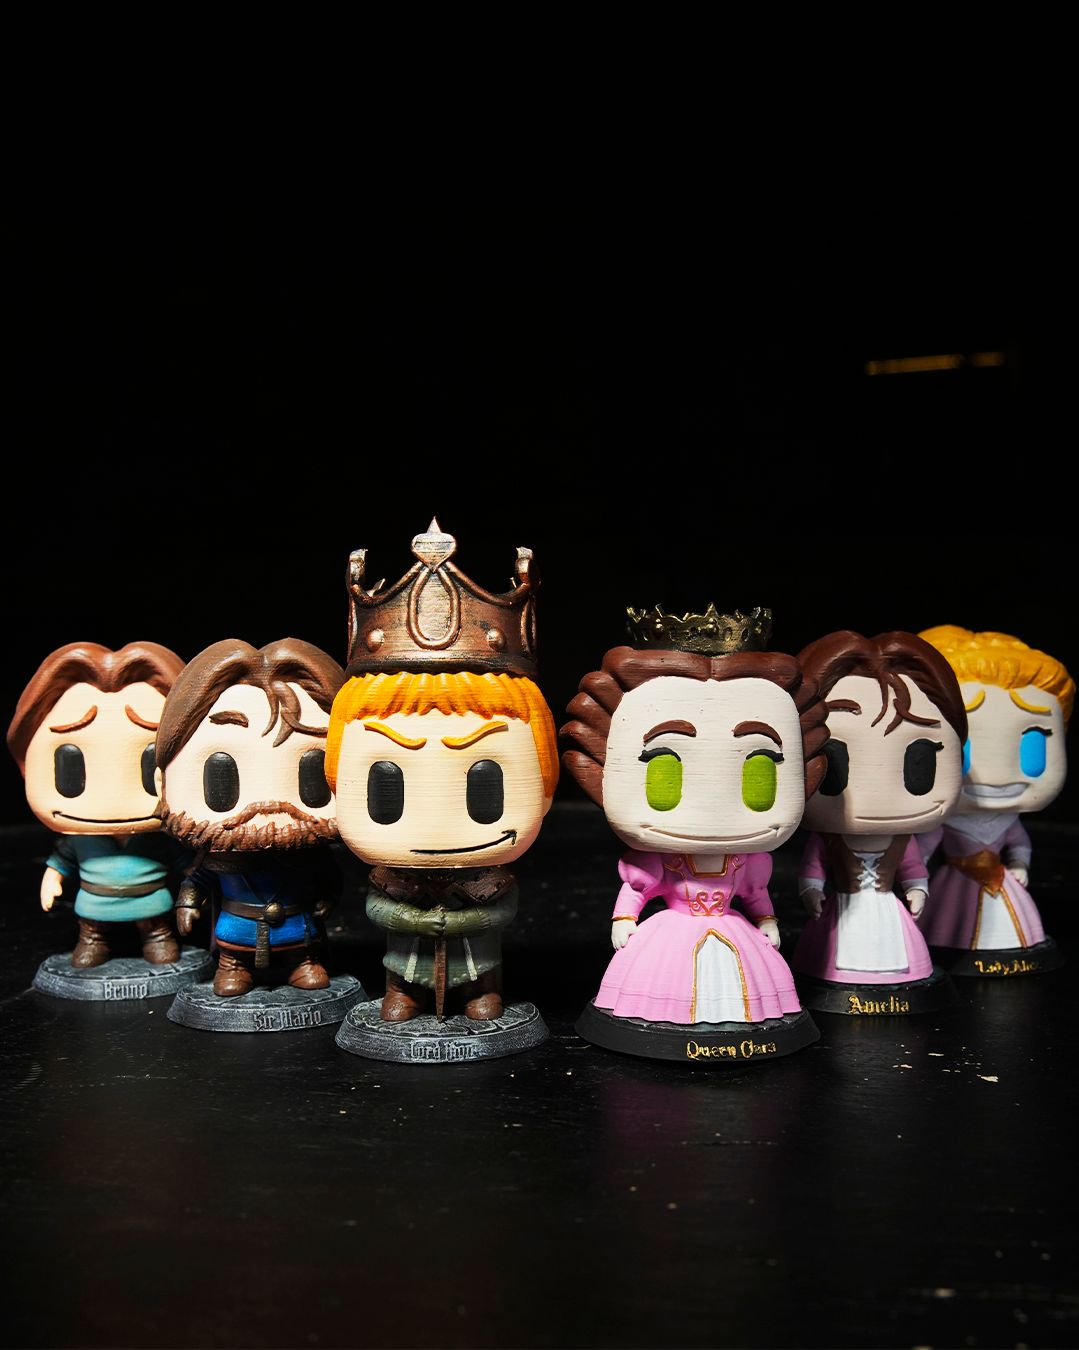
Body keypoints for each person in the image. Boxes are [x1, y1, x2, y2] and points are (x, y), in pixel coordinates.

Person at [560, 606, 828, 1046]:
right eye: (664, 772)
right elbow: (640, 888)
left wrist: (767, 919)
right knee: (664, 983)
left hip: (730, 925)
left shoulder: (747, 862)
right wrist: (624, 918)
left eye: (759, 773)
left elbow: (754, 893)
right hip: (672, 931)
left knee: (744, 983)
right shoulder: (661, 860)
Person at [155, 637, 345, 997]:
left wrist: (328, 898)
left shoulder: (307, 855)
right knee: (234, 954)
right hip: (238, 924)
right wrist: (188, 903)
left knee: (303, 952)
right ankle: (233, 966)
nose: (267, 805)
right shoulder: (220, 856)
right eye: (221, 777)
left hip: (296, 923)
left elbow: (328, 877)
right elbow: (199, 879)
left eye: (312, 774)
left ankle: (302, 963)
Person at [789, 630, 966, 1000]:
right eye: (834, 761)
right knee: (833, 948)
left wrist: (916, 888)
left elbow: (912, 867)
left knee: (897, 947)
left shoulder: (902, 839)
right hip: (841, 908)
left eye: (920, 762)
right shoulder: (829, 838)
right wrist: (812, 890)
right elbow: (813, 866)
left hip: (886, 904)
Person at [7, 641, 187, 967]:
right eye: (70, 765)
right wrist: (52, 879)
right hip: (94, 904)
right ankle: (93, 941)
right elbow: (61, 861)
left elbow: (185, 865)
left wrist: (196, 887)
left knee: (157, 933)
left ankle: (157, 938)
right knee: (91, 933)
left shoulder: (159, 839)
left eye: (150, 762)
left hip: (151, 904)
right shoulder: (79, 840)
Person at [916, 625, 1072, 965]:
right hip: (955, 882)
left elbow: (1020, 844)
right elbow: (923, 851)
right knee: (947, 923)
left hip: (1002, 881)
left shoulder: (1008, 821)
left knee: (1014, 926)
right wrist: (915, 878)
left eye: (1033, 744)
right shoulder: (946, 822)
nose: (999, 776)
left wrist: (1019, 864)